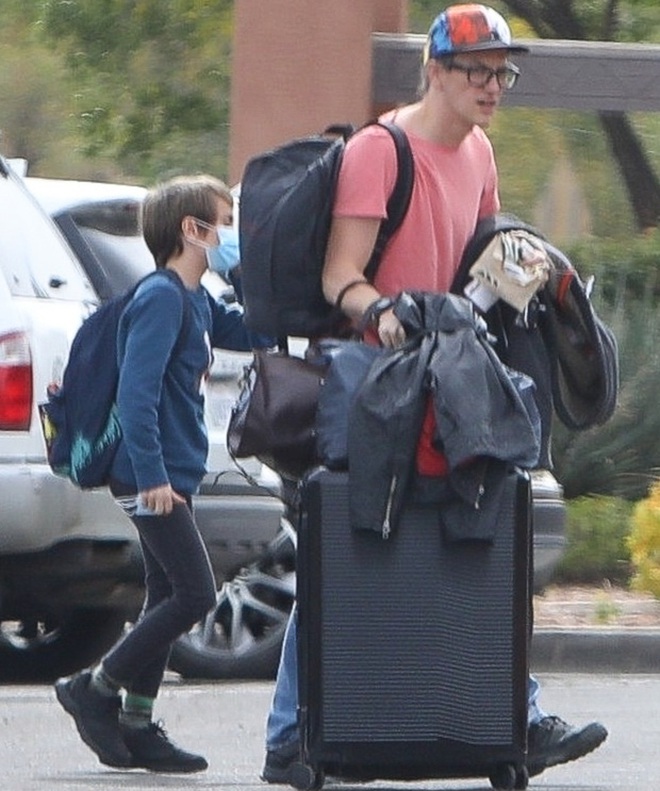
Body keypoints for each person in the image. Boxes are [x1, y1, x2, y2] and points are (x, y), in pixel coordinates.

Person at [262, 4, 608, 785]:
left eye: (502, 72)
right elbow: (340, 276)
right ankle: (287, 737)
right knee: (349, 540)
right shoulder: (379, 150)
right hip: (378, 378)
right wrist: (382, 313)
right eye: (478, 71)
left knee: (479, 528)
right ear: (436, 71)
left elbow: (475, 262)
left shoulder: (480, 151)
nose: (494, 86)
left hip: (451, 372)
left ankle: (515, 716)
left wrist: (519, 271)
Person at [55, 174, 271, 774]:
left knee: (164, 593)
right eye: (224, 224)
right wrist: (150, 475)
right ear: (191, 230)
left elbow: (260, 332)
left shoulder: (197, 301)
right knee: (195, 593)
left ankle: (138, 723)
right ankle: (94, 687)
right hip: (147, 476)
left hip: (175, 472)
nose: (230, 234)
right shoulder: (160, 298)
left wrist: (249, 271)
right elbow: (136, 393)